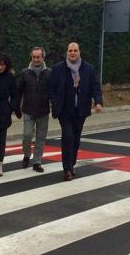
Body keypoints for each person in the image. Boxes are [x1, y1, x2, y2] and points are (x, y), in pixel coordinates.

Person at [48, 42, 103, 181]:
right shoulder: (58, 69)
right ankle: (67, 169)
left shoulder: (88, 69)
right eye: (70, 50)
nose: (72, 53)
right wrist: (54, 102)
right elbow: (51, 88)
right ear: (67, 52)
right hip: (64, 111)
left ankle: (71, 164)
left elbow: (95, 86)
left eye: (75, 50)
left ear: (79, 52)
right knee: (68, 138)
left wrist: (98, 101)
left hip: (81, 110)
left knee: (76, 138)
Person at [16, 46, 51, 173]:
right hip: (28, 110)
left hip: (43, 111)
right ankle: (26, 154)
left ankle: (37, 162)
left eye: (38, 57)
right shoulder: (25, 72)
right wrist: (16, 108)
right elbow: (19, 91)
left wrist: (56, 107)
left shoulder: (49, 73)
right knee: (27, 135)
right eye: (34, 57)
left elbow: (53, 92)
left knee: (41, 138)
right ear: (31, 57)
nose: (36, 59)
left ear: (43, 57)